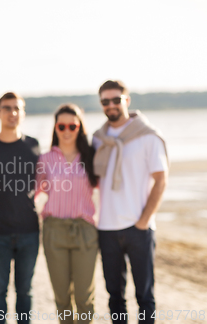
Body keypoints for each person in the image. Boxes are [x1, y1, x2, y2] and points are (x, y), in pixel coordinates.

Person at [92, 80, 168, 324]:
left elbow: (161, 180)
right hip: (106, 228)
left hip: (139, 227)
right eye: (106, 101)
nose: (111, 105)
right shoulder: (98, 139)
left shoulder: (147, 136)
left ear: (127, 100)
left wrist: (144, 221)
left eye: (116, 99)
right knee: (115, 296)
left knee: (144, 295)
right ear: (102, 104)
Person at [0, 92, 40, 324]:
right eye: (6, 108)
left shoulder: (33, 145)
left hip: (29, 231)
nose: (12, 112)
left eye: (16, 108)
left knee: (25, 292)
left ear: (23, 113)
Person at [36, 104, 99, 324]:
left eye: (72, 126)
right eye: (61, 126)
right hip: (54, 231)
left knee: (84, 296)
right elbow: (34, 192)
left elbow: (110, 186)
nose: (66, 130)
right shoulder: (45, 159)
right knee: (62, 297)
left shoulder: (92, 157)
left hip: (85, 231)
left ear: (79, 127)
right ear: (55, 128)